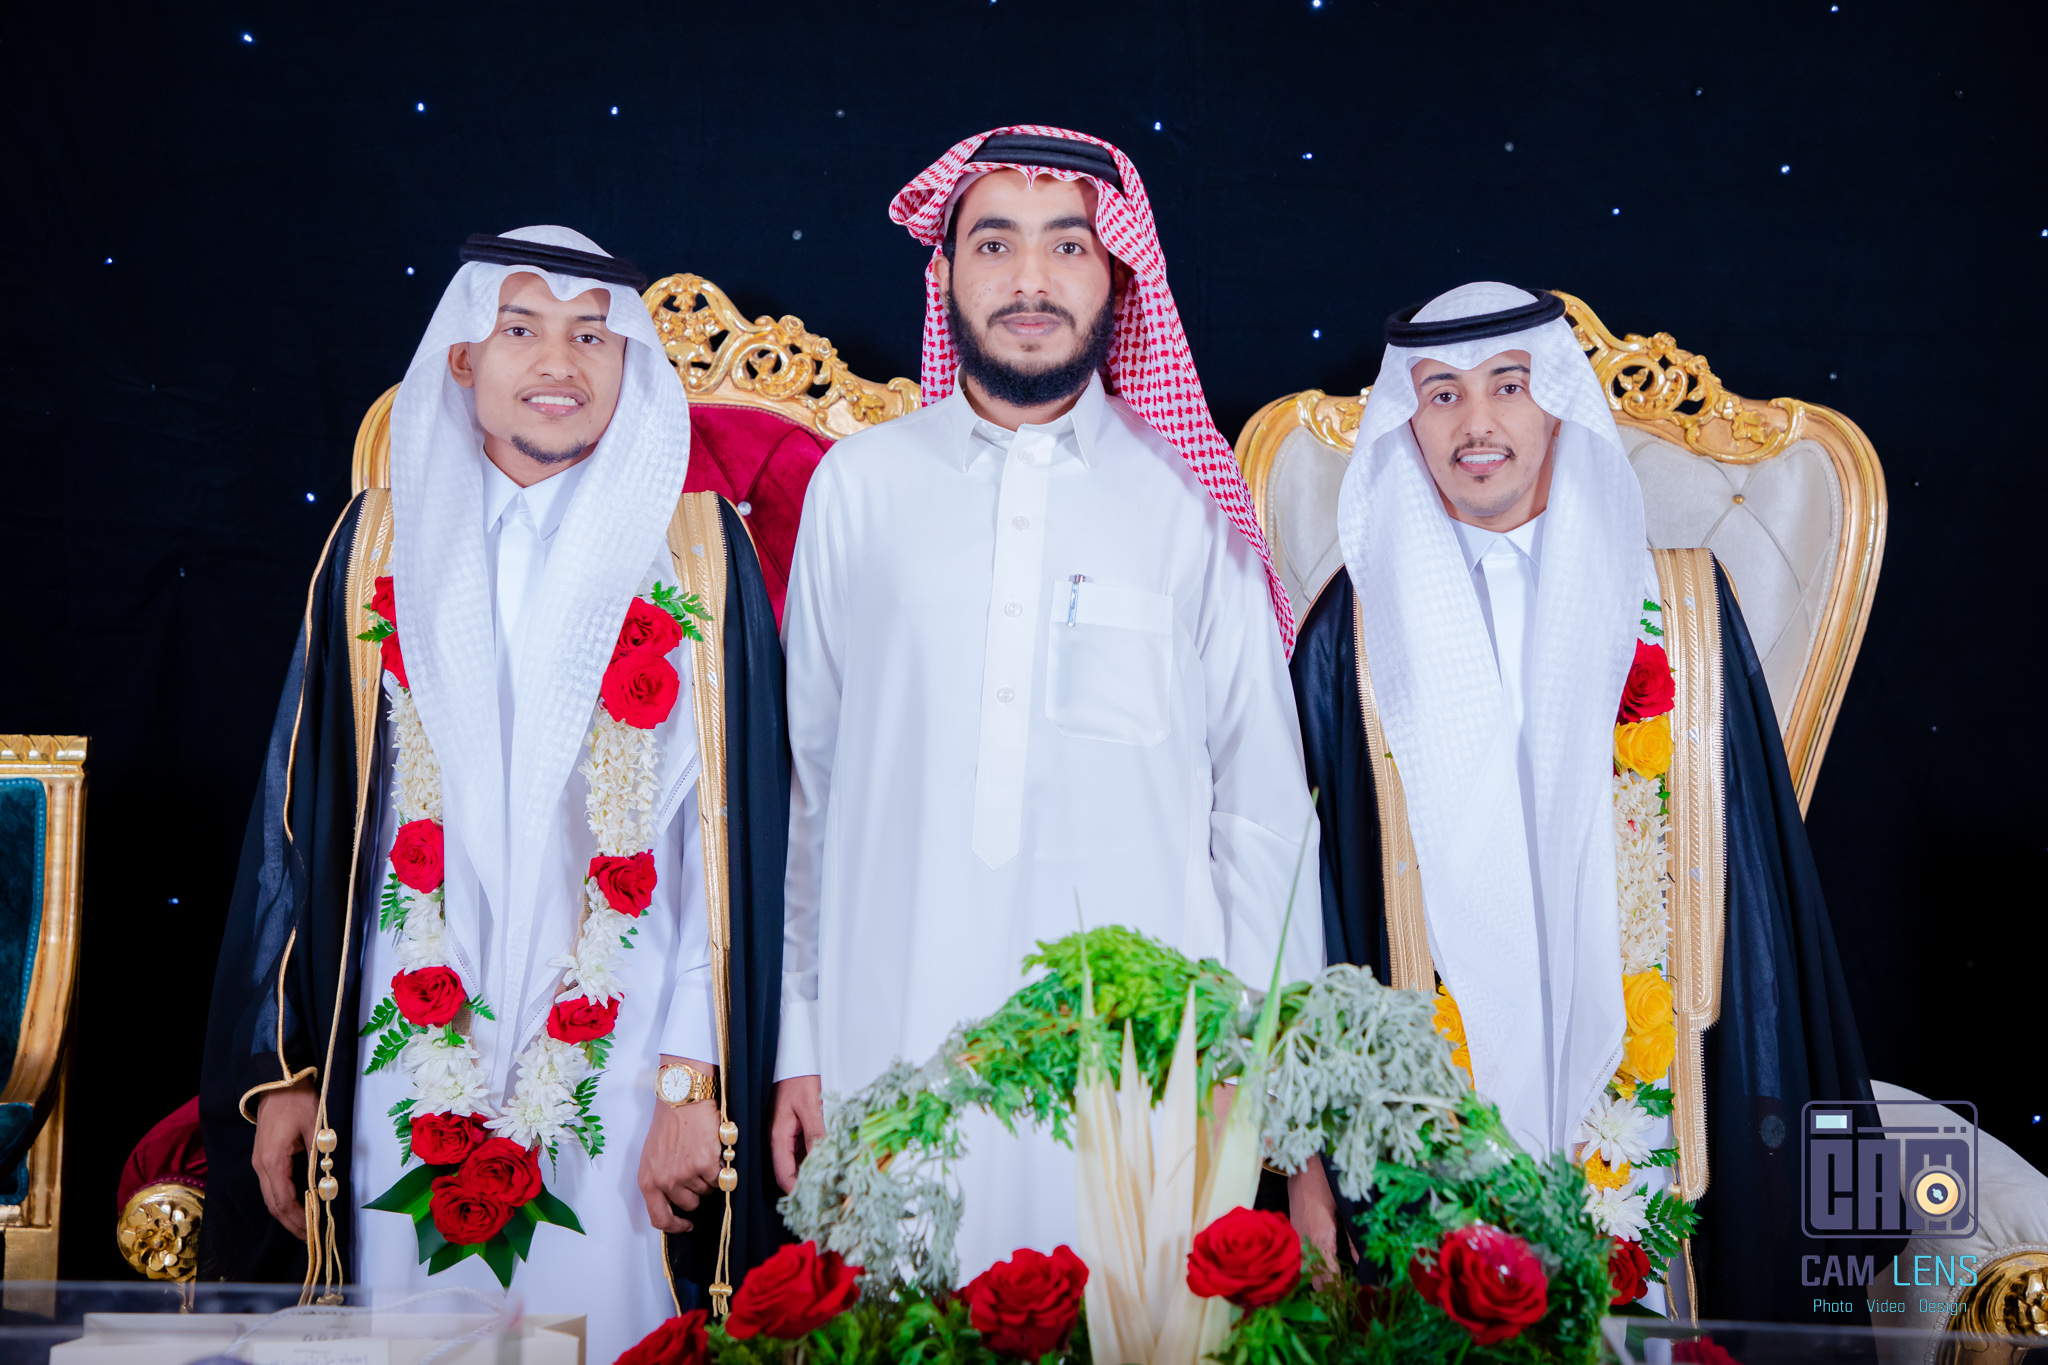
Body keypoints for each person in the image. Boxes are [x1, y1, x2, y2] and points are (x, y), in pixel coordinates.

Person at [198, 227, 790, 1357]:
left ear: (629, 368)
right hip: (406, 1036)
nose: (558, 362)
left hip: (622, 1056)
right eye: (521, 329)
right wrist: (286, 1071)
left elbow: (728, 846)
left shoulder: (696, 554)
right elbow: (295, 820)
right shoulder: (376, 546)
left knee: (610, 1323)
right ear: (465, 358)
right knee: (409, 1327)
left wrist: (688, 1081)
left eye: (591, 337)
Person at [769, 127, 1328, 1280]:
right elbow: (809, 794)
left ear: (1114, 272)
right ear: (944, 273)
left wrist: (1257, 1062)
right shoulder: (857, 490)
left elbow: (1262, 813)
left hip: (1141, 1062)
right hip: (893, 1033)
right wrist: (799, 1043)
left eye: (1066, 246)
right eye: (994, 244)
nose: (1030, 280)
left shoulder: (1189, 504)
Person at [1290, 281, 1886, 1320]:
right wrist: (1307, 1164)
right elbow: (1312, 904)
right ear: (1407, 423)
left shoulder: (1681, 611)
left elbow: (1754, 894)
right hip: (1436, 1109)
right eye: (1441, 394)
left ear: (1558, 403)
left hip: (1654, 1106)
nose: (1476, 424)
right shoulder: (1355, 633)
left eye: (1509, 386)